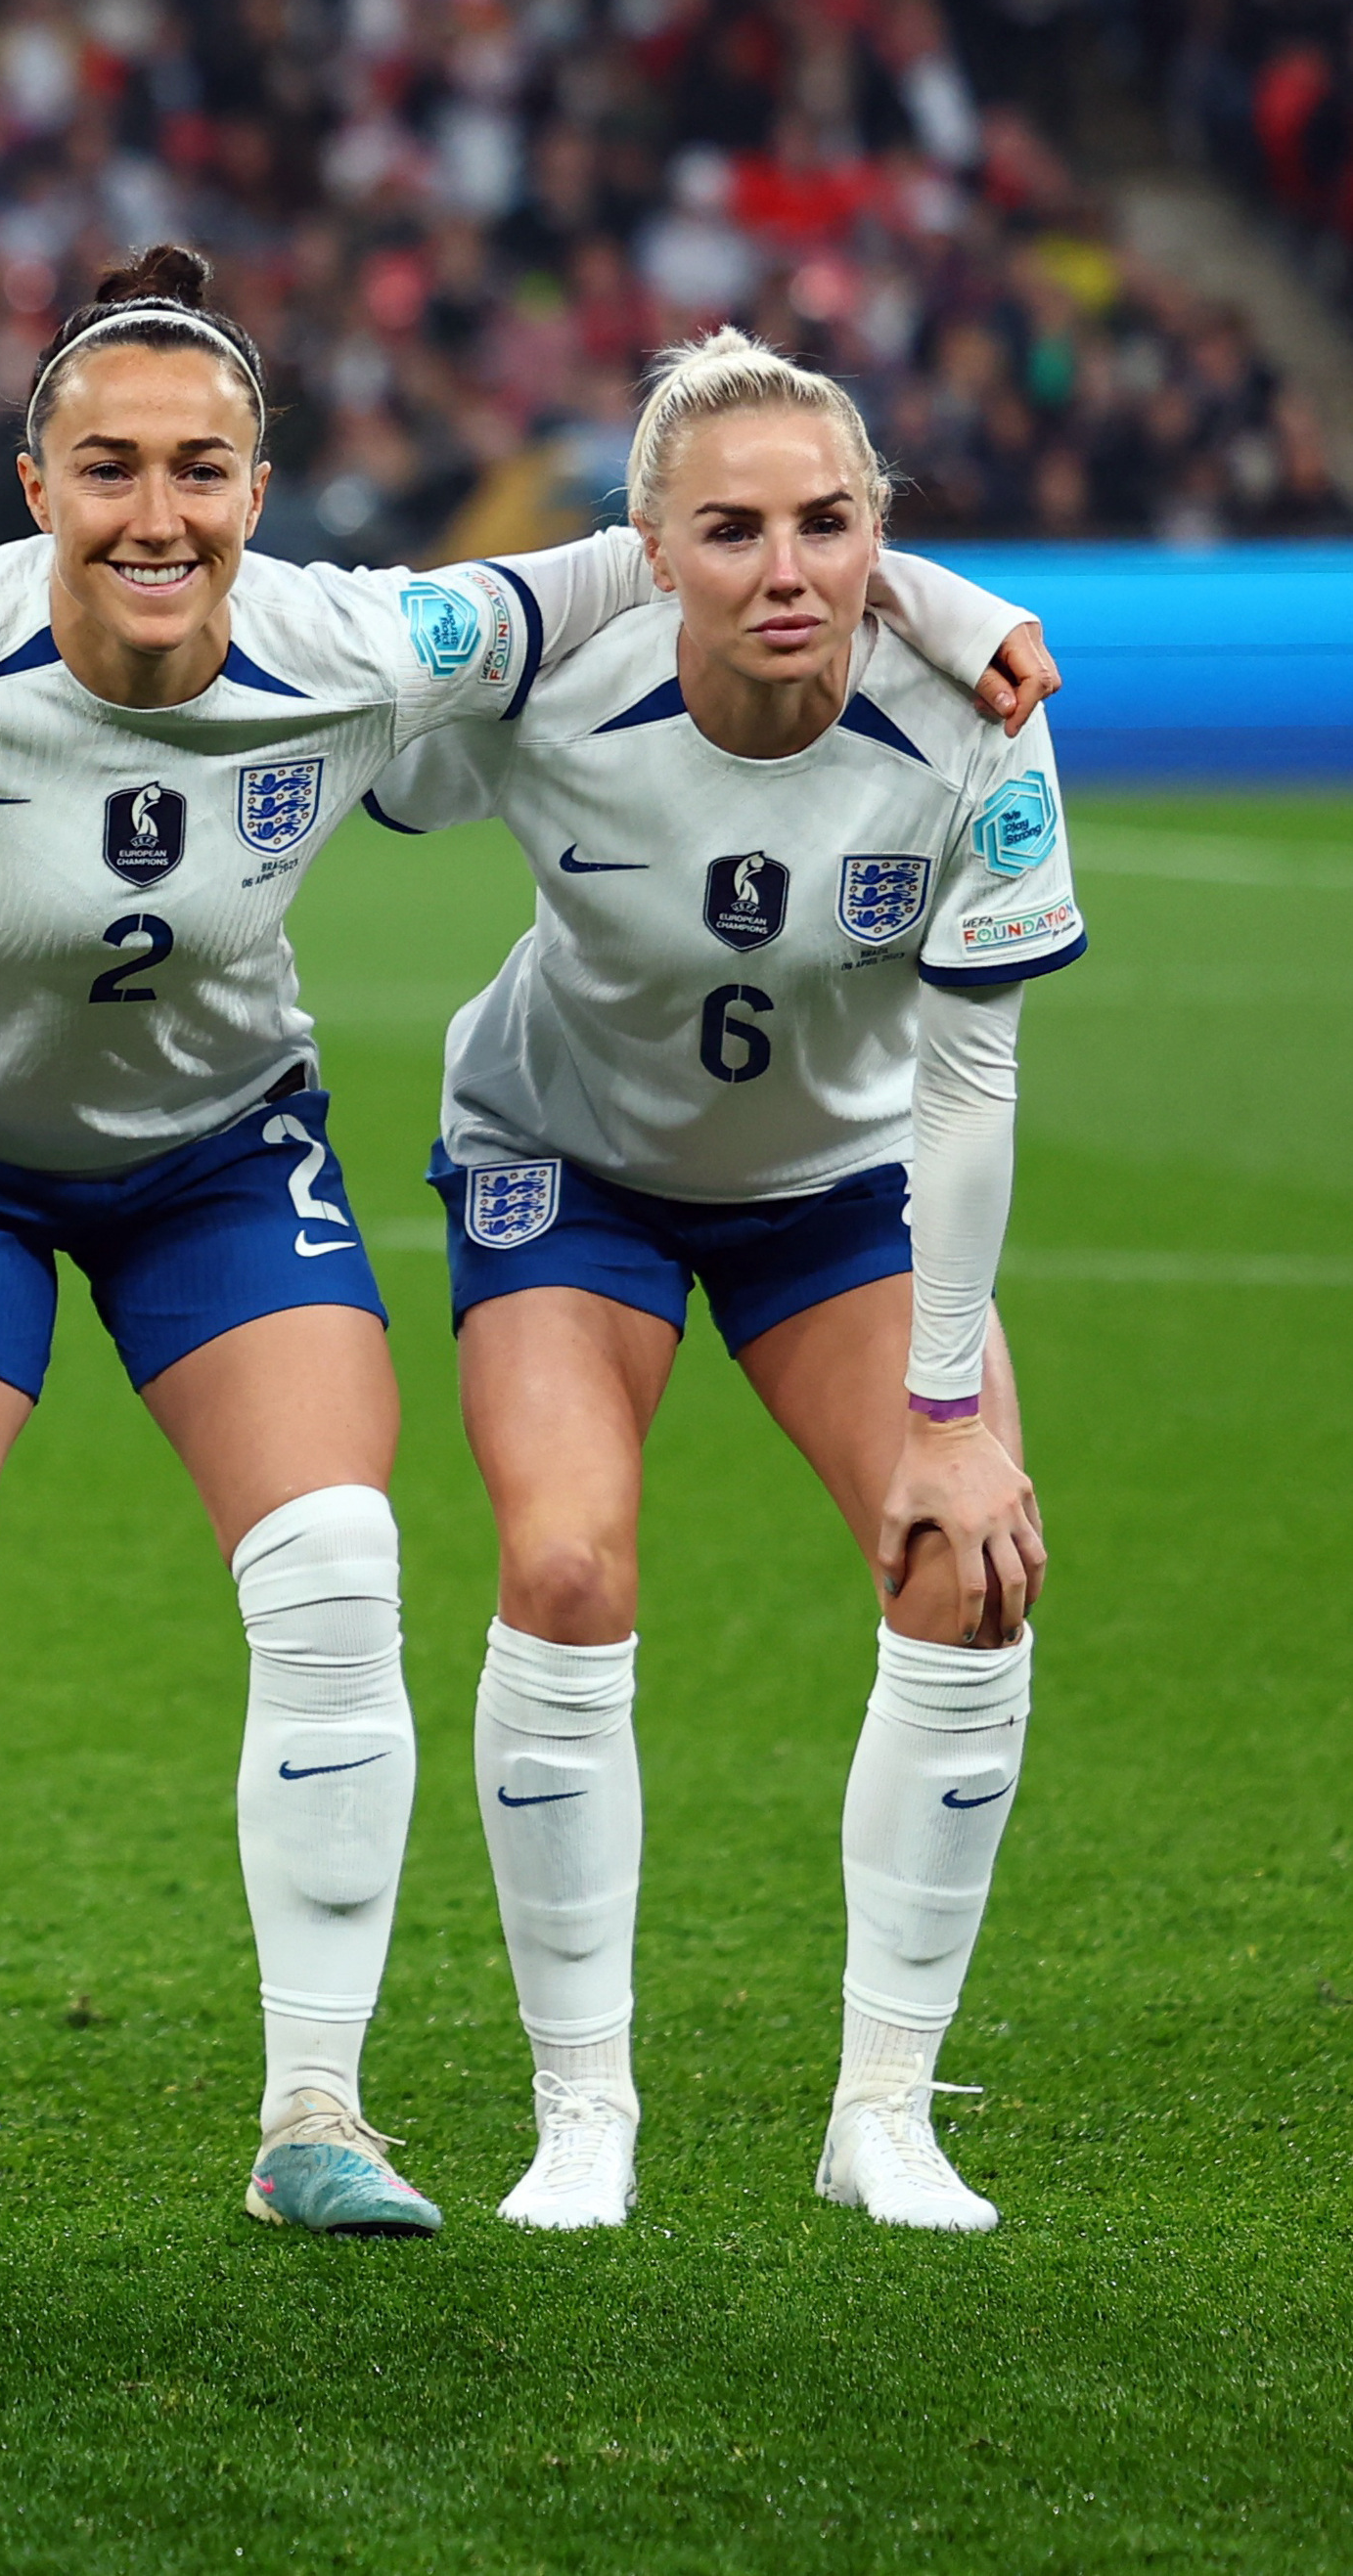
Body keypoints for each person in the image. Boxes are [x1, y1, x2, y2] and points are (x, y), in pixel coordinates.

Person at [0, 247, 1051, 2245]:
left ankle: (312, 2109)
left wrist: (931, 594)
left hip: (217, 1155)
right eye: (104, 469)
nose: (151, 514)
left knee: (334, 1563)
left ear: (259, 486)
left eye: (198, 469)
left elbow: (635, 554)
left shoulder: (364, 637)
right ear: (29, 478)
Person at [365, 331, 1078, 2235]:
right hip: (561, 1162)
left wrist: (944, 1415)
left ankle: (884, 2112)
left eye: (830, 526)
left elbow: (970, 1077)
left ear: (879, 538)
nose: (784, 569)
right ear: (646, 547)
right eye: (728, 530)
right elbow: (368, 670)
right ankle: (579, 2108)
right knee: (564, 1564)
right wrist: (586, 579)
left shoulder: (978, 715)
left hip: (837, 1188)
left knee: (967, 1567)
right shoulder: (556, 682)